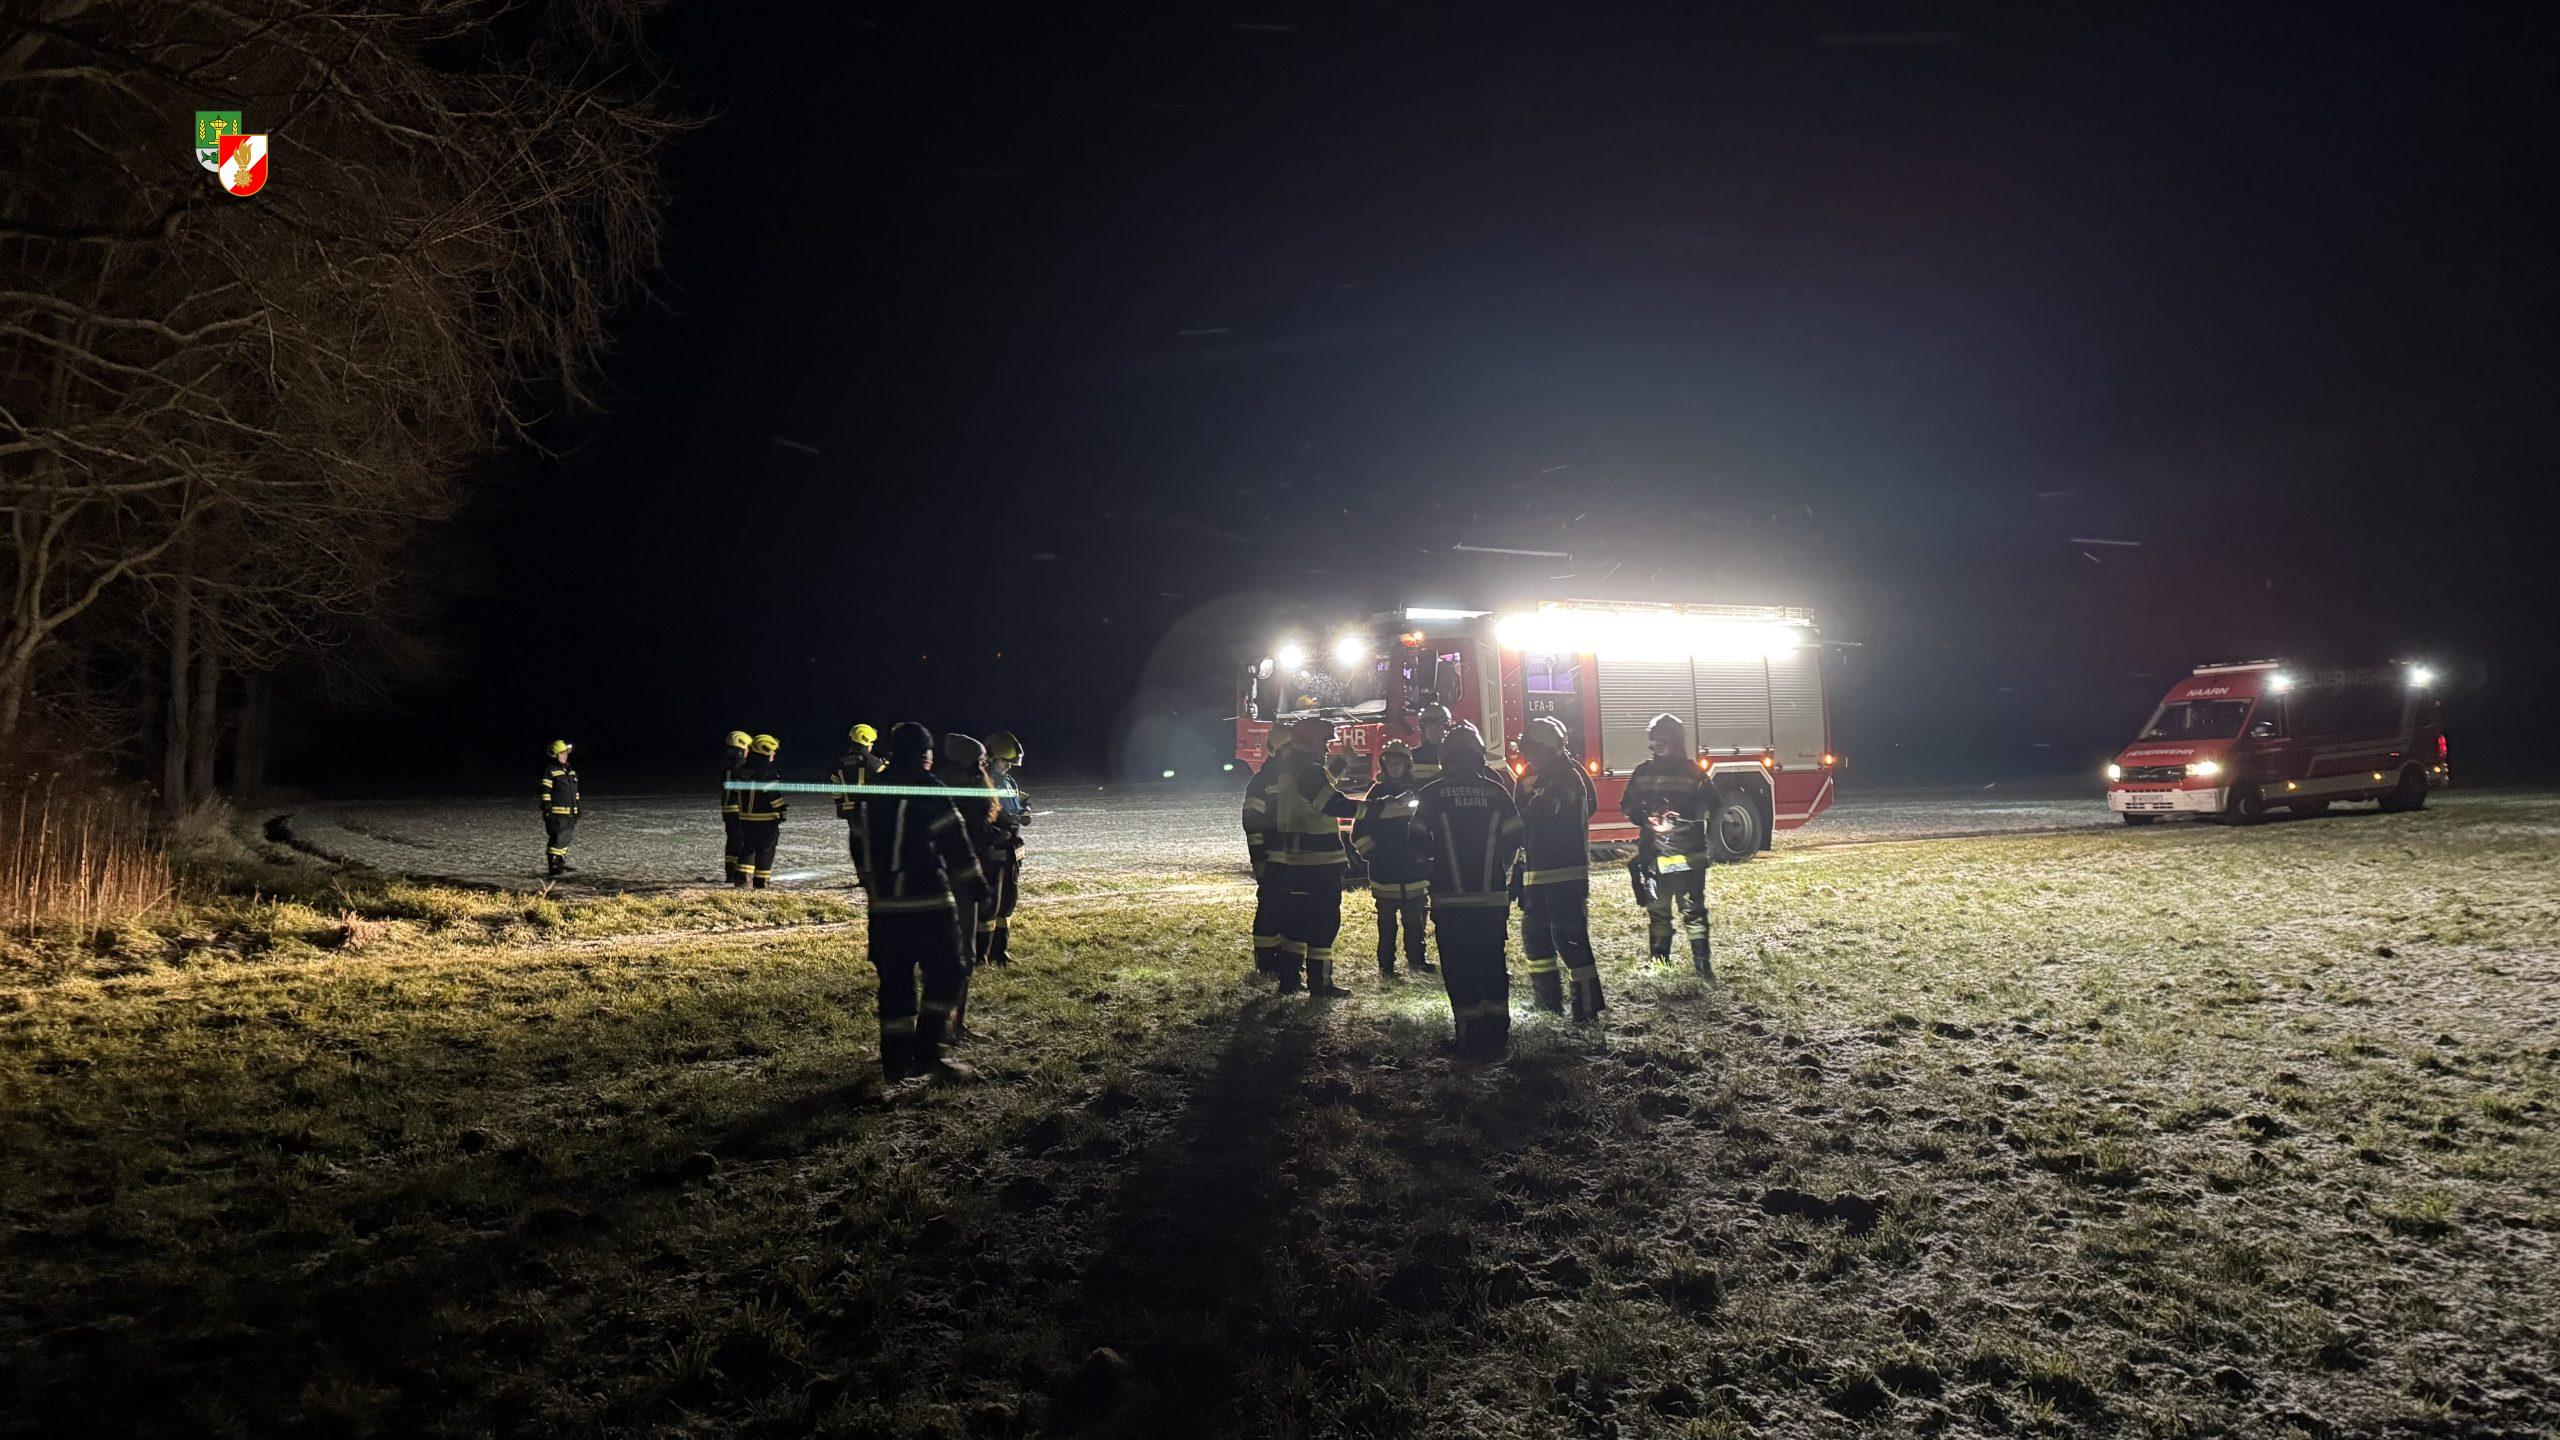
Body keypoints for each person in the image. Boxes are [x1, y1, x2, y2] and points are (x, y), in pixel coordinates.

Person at [850, 722, 988, 1084]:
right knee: (948, 973)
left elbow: (858, 843)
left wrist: (875, 885)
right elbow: (955, 841)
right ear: (924, 754)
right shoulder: (930, 789)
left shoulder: (871, 790)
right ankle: (927, 1052)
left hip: (884, 910)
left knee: (895, 985)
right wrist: (974, 883)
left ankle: (895, 1063)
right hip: (928, 905)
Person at [1409, 722, 1521, 1055]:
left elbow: (1415, 842)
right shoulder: (1497, 792)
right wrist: (1500, 867)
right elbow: (1515, 835)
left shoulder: (1432, 793)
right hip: (1491, 898)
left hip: (1450, 900)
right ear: (1479, 756)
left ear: (1445, 757)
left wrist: (1432, 867)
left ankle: (1469, 1036)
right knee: (1491, 963)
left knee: (1460, 966)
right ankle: (1497, 1034)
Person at [1515, 716, 1603, 1021]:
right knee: (1535, 937)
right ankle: (1546, 1001)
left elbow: (1536, 814)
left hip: (1565, 875)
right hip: (1536, 874)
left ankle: (1587, 1008)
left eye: (1534, 750)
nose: (1529, 757)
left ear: (1550, 749)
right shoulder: (1530, 777)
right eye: (1526, 751)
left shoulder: (1567, 778)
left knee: (1570, 940)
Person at [1267, 714, 1359, 997]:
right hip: (1319, 862)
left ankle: (1290, 979)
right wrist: (1375, 810)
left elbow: (1322, 783)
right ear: (1309, 742)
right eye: (1324, 742)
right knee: (1323, 922)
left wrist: (1344, 762)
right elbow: (1331, 803)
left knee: (1296, 920)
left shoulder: (1293, 768)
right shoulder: (1308, 771)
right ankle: (1321, 983)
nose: (1327, 748)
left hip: (1297, 860)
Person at [1623, 712, 1713, 979]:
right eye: (1656, 740)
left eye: (1665, 740)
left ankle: (1702, 966)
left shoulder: (1693, 772)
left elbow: (1712, 805)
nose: (1659, 745)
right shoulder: (1643, 773)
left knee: (1693, 913)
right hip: (1655, 857)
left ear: (1677, 741)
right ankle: (1660, 963)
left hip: (1688, 857)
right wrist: (1644, 817)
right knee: (1658, 913)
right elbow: (1627, 804)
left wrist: (1682, 814)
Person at [935, 732, 1001, 1042]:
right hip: (959, 878)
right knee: (961, 953)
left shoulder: (947, 783)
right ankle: (950, 1027)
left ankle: (946, 1025)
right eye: (981, 760)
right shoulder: (967, 787)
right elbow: (969, 832)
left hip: (947, 877)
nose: (984, 764)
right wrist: (994, 835)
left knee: (952, 954)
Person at [1351, 739, 1433, 980]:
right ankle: (1386, 965)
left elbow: (1430, 828)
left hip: (1413, 870)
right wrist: (1373, 855)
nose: (1394, 766)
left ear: (1407, 764)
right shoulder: (1376, 794)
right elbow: (1359, 831)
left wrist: (1426, 856)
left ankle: (1417, 961)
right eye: (1390, 762)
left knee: (1415, 920)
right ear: (1383, 765)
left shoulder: (1418, 792)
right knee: (1386, 923)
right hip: (1385, 871)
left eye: (1398, 761)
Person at [1240, 726, 1294, 977]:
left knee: (1292, 910)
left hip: (1295, 857)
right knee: (1270, 909)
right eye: (1288, 748)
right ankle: (1266, 962)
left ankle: (1287, 961)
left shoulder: (1295, 776)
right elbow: (1252, 821)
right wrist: (1258, 858)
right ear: (1275, 750)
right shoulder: (1262, 782)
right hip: (1272, 857)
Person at [982, 730, 1031, 966]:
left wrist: (1025, 811)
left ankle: (1000, 951)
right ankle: (982, 953)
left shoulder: (1009, 780)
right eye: (1005, 761)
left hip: (1011, 852)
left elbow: (1020, 800)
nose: (1009, 766)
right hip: (994, 852)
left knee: (1008, 902)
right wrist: (1001, 825)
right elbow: (982, 815)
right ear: (992, 758)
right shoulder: (984, 782)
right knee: (990, 903)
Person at [733, 733, 788, 889]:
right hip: (766, 818)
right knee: (766, 849)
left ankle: (742, 880)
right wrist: (782, 811)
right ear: (765, 749)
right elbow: (773, 796)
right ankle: (761, 882)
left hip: (745, 817)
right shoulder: (768, 771)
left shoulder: (741, 770)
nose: (774, 754)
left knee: (748, 847)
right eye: (772, 751)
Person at [829, 723, 884, 863]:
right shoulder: (871, 760)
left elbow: (835, 785)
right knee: (872, 844)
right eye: (872, 742)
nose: (872, 745)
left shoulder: (840, 761)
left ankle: (861, 870)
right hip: (868, 809)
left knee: (857, 843)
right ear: (866, 740)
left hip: (849, 810)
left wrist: (840, 804)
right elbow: (885, 779)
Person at [539, 739, 580, 877]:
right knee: (557, 838)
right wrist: (547, 809)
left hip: (570, 812)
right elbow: (545, 791)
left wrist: (577, 807)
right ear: (555, 755)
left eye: (566, 753)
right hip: (557, 813)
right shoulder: (551, 770)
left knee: (566, 838)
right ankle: (553, 866)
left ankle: (560, 862)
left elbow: (575, 792)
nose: (565, 755)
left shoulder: (570, 770)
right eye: (562, 753)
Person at [719, 730, 751, 884]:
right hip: (737, 808)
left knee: (732, 840)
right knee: (742, 840)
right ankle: (740, 876)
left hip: (727, 808)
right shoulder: (741, 765)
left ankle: (730, 873)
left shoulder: (727, 765)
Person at [1410, 701, 1452, 783]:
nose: (1434, 728)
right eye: (1430, 724)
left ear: (1446, 727)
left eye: (1438, 725)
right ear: (1423, 728)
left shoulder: (1452, 755)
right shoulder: (1412, 756)